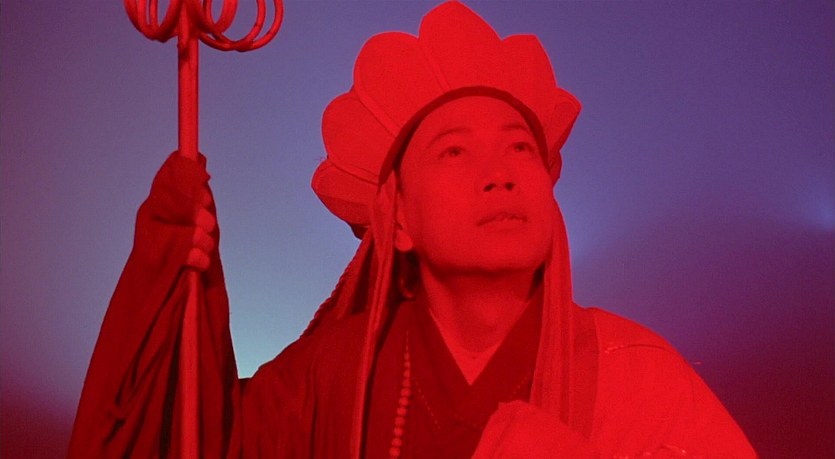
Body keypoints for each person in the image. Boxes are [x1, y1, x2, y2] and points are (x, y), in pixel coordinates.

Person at [69, 2, 756, 458]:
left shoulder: (635, 375)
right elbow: (197, 442)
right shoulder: (332, 378)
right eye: (454, 152)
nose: (500, 175)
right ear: (396, 220)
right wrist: (166, 276)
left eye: (520, 147)